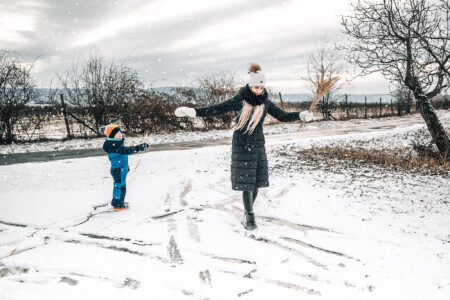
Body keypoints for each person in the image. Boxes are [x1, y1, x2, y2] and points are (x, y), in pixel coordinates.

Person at [175, 63, 313, 230]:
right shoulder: (239, 100)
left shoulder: (265, 103)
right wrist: (194, 112)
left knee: (255, 182)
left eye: (261, 87)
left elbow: (282, 116)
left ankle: (249, 211)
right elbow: (217, 109)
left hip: (258, 145)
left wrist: (301, 115)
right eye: (255, 86)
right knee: (247, 182)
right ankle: (249, 216)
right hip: (242, 144)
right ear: (249, 85)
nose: (258, 90)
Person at [100, 125, 149, 211]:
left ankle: (120, 201)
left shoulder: (115, 143)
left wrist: (126, 167)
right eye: (117, 133)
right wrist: (138, 148)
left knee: (120, 185)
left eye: (120, 132)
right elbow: (126, 150)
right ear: (112, 135)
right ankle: (118, 205)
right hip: (118, 169)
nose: (120, 134)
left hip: (120, 168)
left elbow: (122, 155)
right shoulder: (114, 145)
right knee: (120, 186)